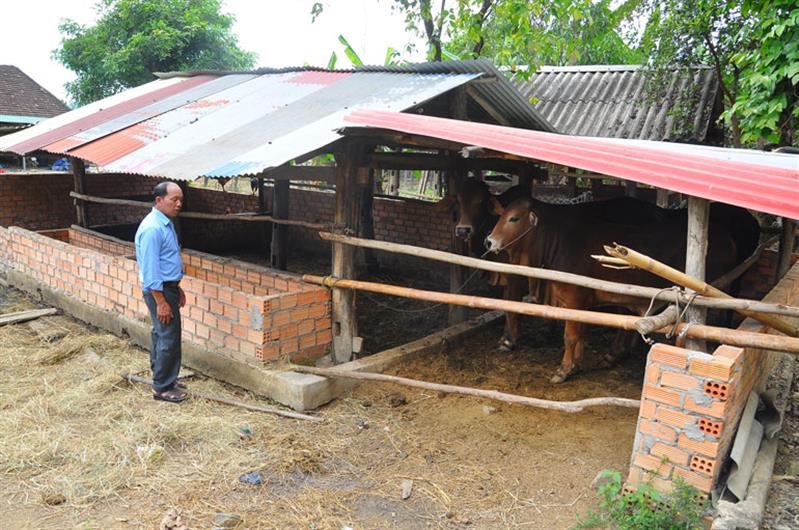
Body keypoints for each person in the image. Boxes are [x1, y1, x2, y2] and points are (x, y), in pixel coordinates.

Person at [135, 182, 188, 403]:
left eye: (180, 200)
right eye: (173, 200)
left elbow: (165, 263)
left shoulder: (164, 223)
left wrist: (177, 286)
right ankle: (163, 388)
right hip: (160, 291)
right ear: (159, 200)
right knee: (169, 337)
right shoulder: (153, 229)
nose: (178, 204)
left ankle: (163, 377)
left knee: (160, 334)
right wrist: (162, 301)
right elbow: (150, 269)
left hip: (167, 288)